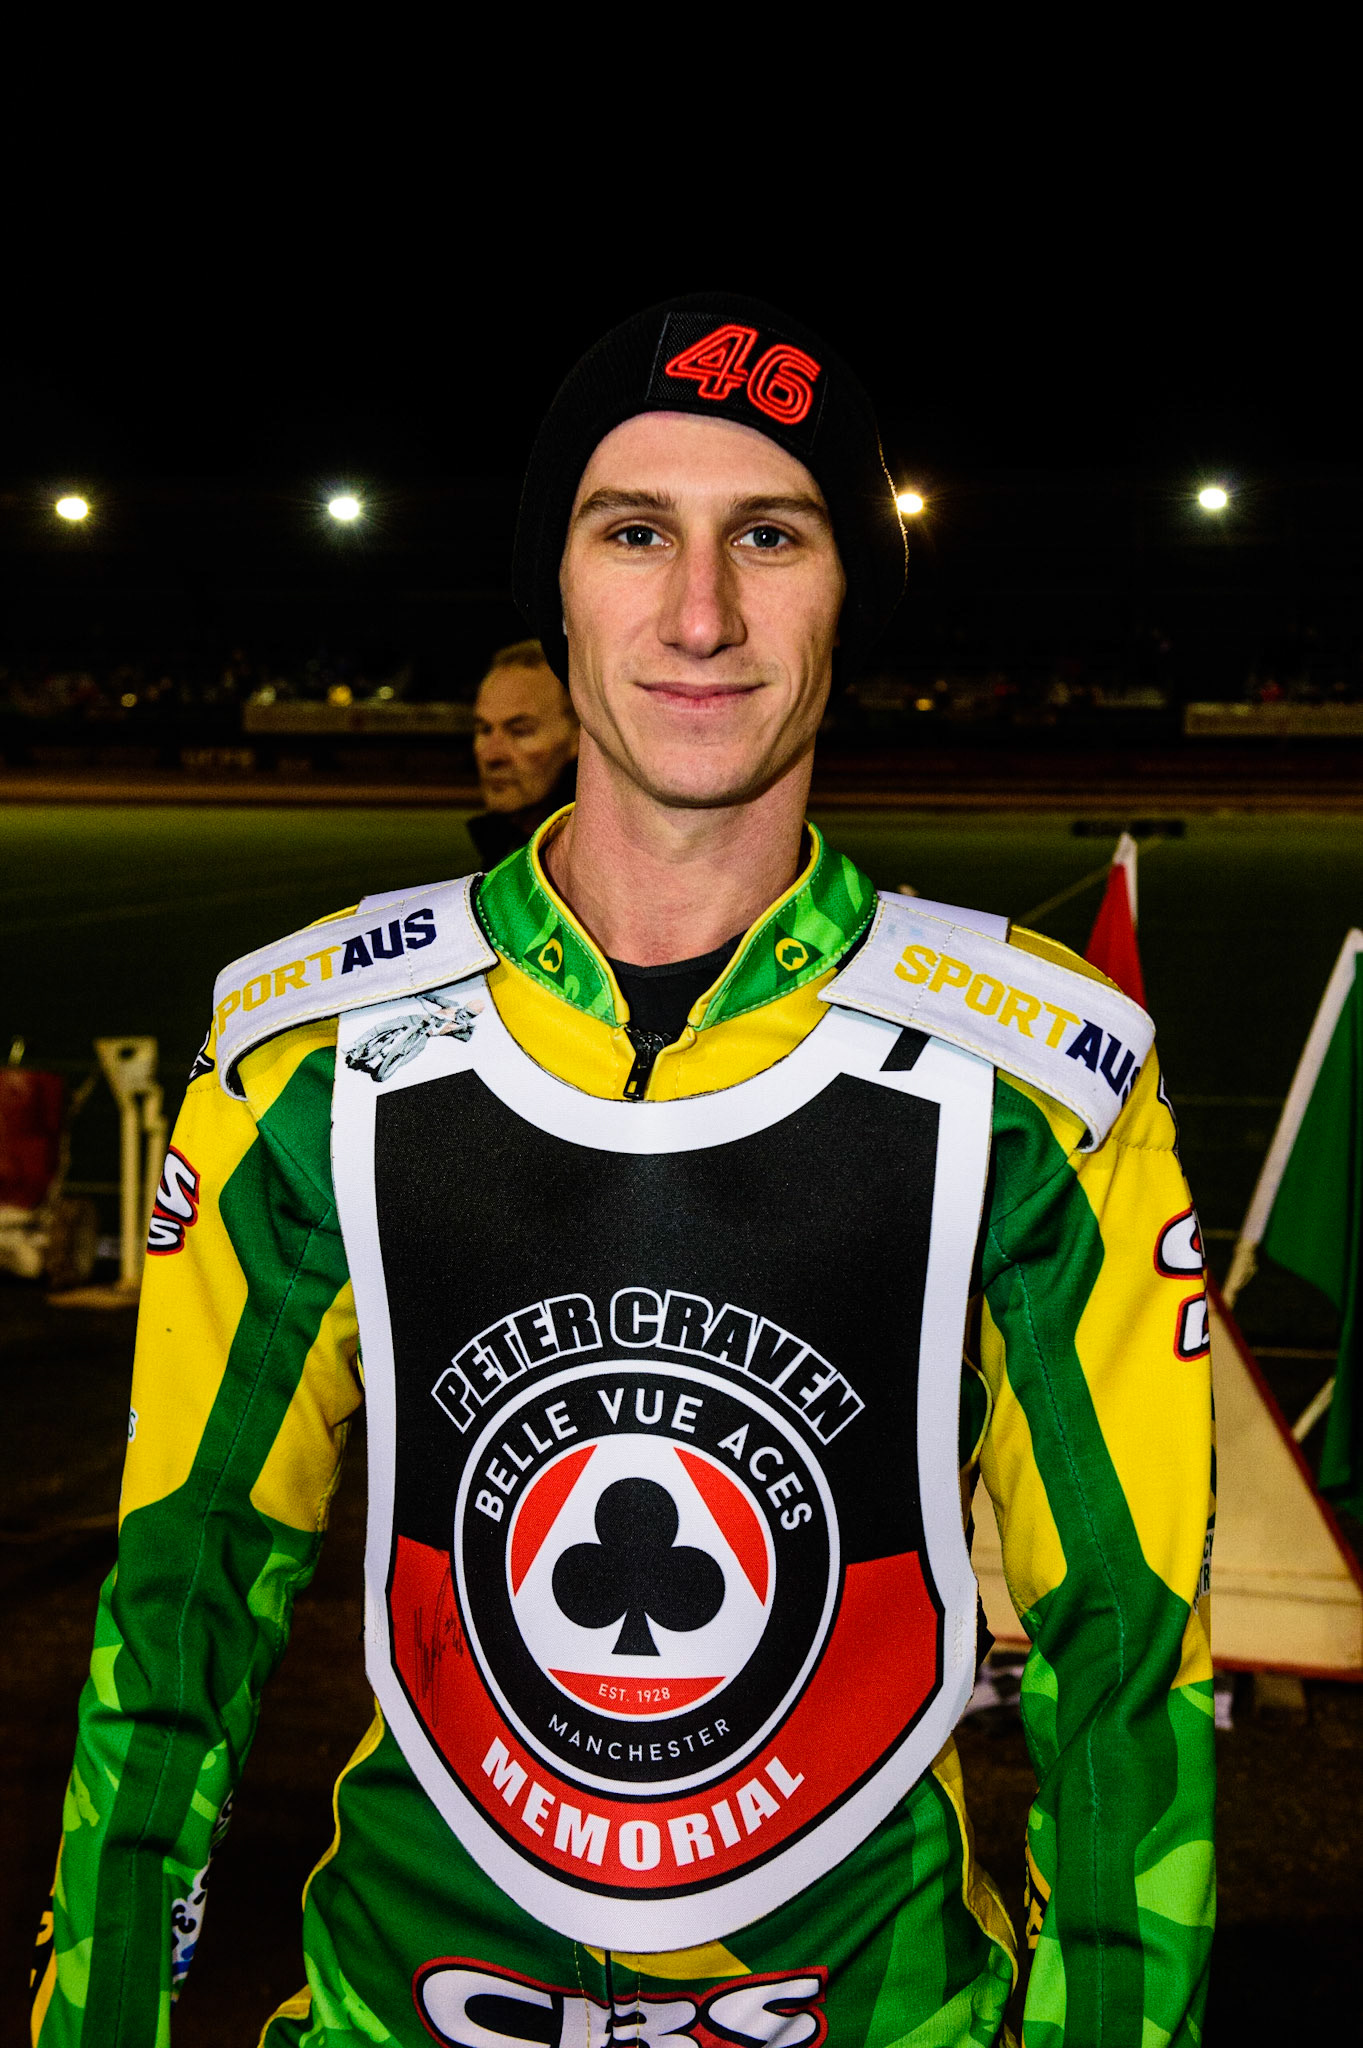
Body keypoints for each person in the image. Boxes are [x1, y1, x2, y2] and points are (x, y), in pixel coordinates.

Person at [33, 294, 1215, 2047]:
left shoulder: (1040, 1081)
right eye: (633, 530)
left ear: (846, 597)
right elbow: (172, 1633)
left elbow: (1129, 1678)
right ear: (557, 587)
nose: (699, 613)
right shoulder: (301, 1055)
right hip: (402, 2000)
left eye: (771, 535)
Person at [468, 637, 579, 866]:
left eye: (520, 732)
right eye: (484, 729)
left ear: (581, 735)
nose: (492, 756)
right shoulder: (500, 849)